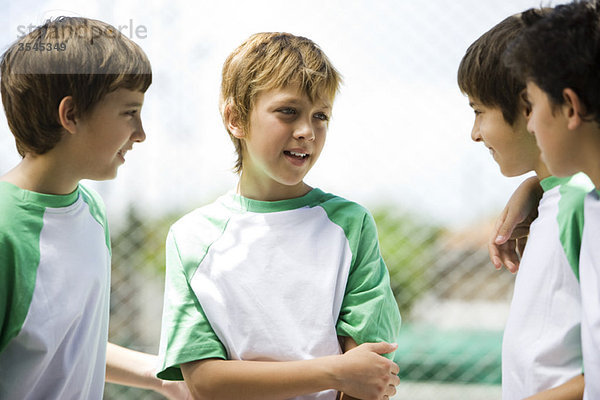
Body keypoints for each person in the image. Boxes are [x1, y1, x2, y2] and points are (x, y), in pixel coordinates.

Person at [156, 32, 401, 400]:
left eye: (321, 116)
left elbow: (368, 374)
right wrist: (335, 372)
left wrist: (351, 377)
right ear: (236, 118)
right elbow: (205, 382)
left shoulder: (351, 225)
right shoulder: (190, 237)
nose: (307, 132)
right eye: (288, 111)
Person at [0, 17, 189, 399]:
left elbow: (68, 347)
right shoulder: (5, 229)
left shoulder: (91, 212)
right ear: (70, 115)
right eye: (129, 112)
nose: (141, 133)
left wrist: (165, 379)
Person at [457, 9, 591, 399]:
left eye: (479, 111)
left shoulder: (582, 204)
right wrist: (537, 186)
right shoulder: (557, 200)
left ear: (529, 107)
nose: (475, 134)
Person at [502, 2, 600, 399]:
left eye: (533, 104)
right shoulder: (588, 202)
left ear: (570, 107)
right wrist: (537, 187)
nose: (529, 123)